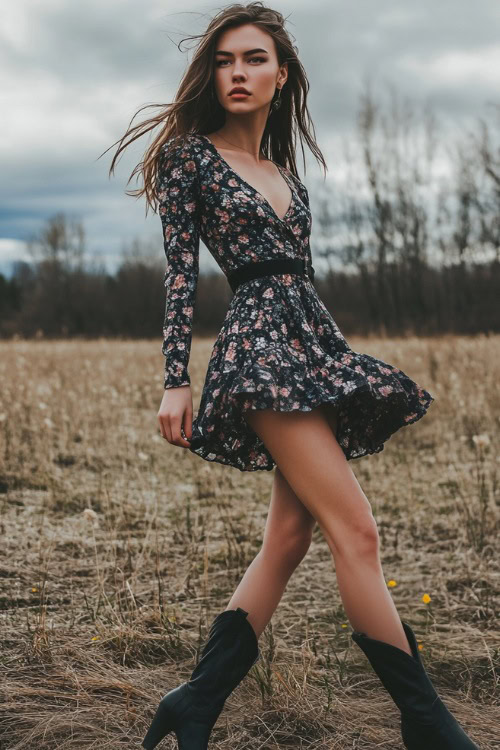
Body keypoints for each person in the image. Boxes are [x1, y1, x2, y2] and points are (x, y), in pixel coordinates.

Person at [108, 3, 479, 749]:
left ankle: (195, 700)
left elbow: (298, 279)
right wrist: (174, 377)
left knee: (290, 534)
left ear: (281, 75)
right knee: (358, 532)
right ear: (210, 74)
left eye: (252, 59)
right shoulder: (191, 157)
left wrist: (331, 357)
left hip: (307, 342)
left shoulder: (285, 175)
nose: (236, 73)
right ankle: (428, 727)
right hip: (257, 352)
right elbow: (181, 275)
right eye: (223, 60)